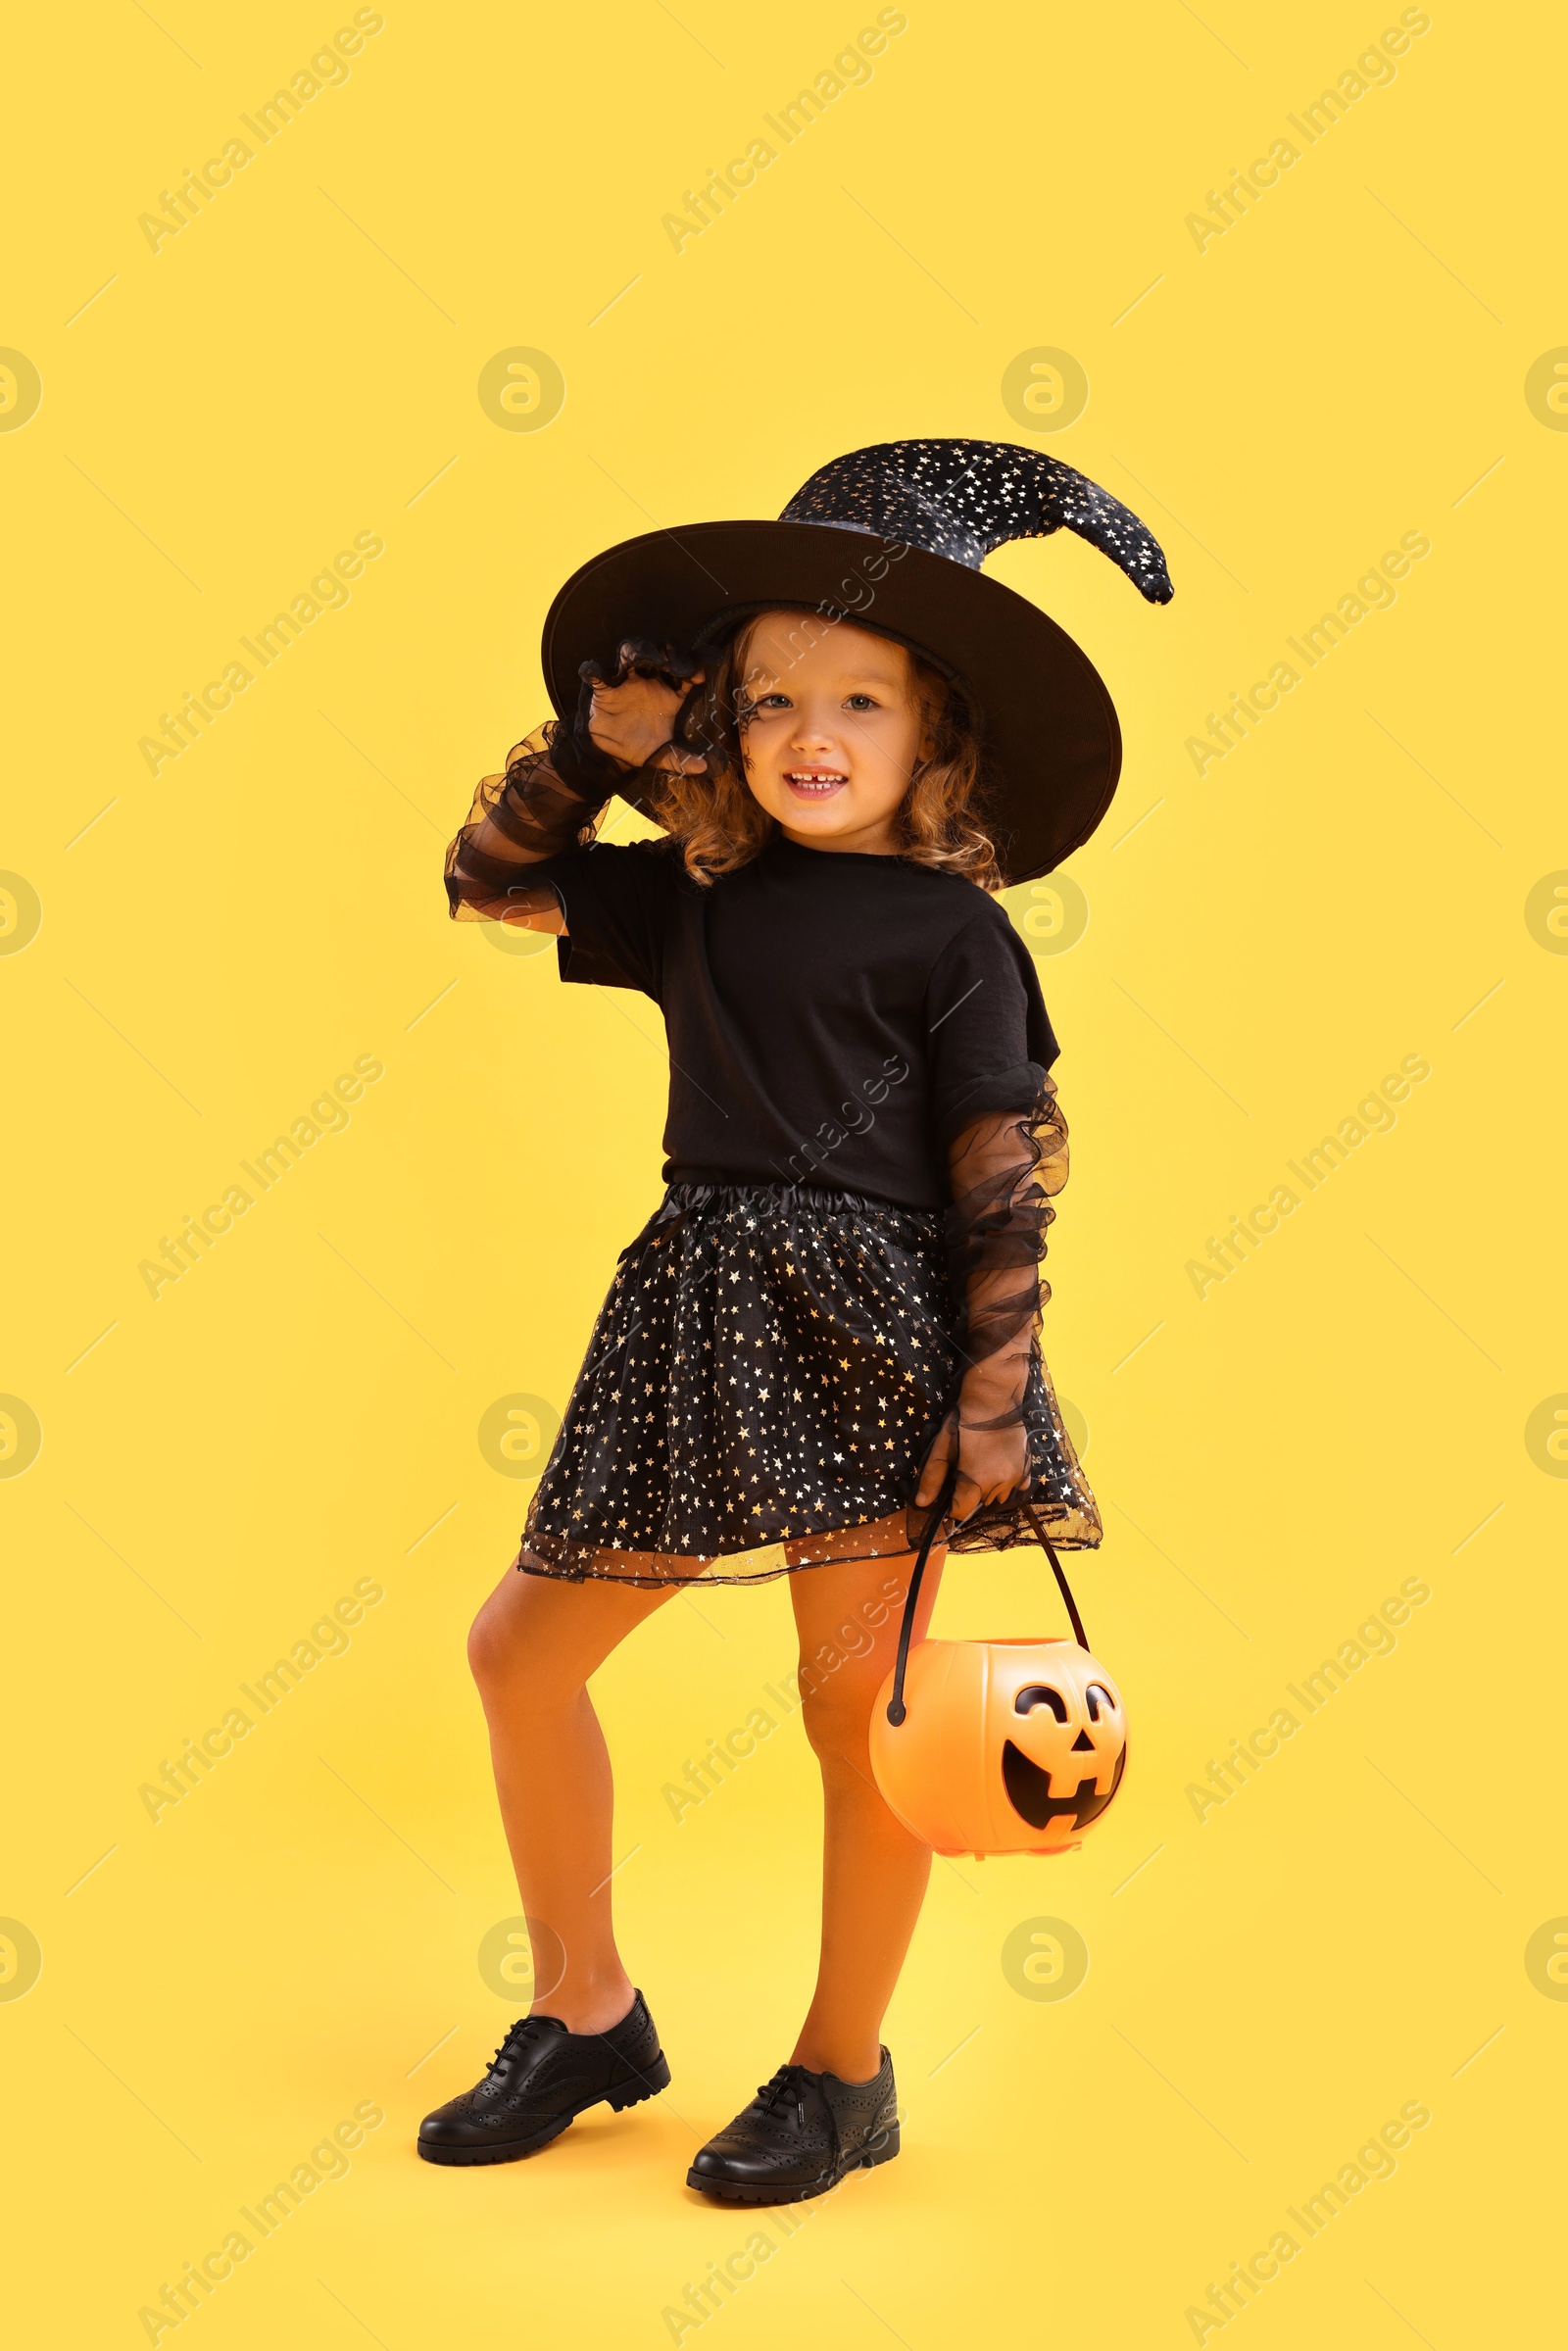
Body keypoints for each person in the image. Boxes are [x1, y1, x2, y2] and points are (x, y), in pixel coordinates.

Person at [417, 439, 1171, 2201]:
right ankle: (587, 2009)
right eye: (767, 702)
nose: (808, 735)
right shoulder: (693, 896)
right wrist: (581, 758)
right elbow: (485, 878)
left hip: (868, 1326)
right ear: (723, 727)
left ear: (938, 737)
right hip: (693, 1313)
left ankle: (842, 2070)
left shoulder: (955, 936)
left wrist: (993, 1396)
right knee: (520, 1654)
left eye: (857, 700)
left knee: (857, 1717)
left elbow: (1001, 1169)